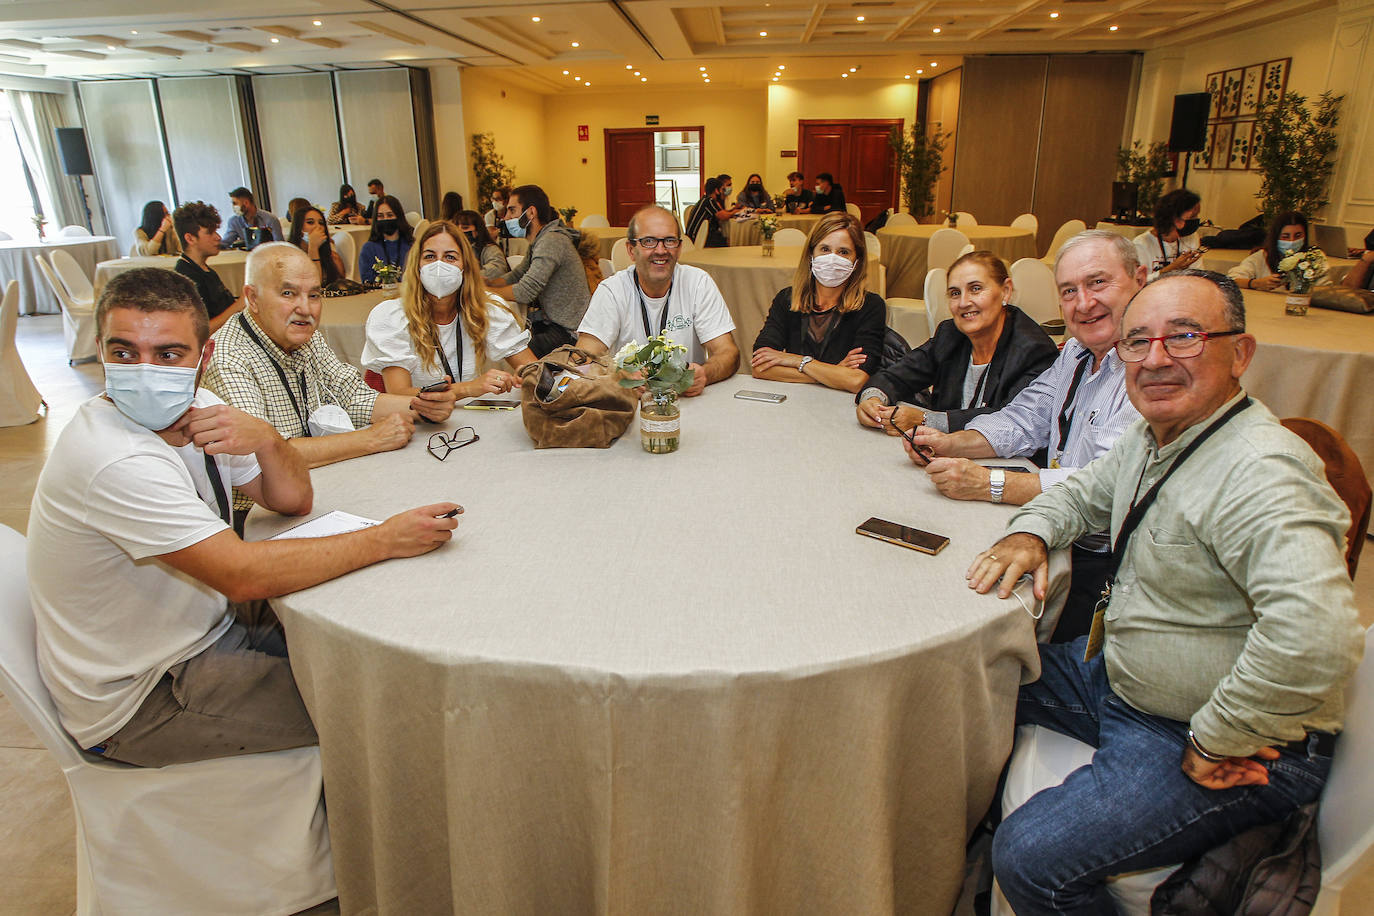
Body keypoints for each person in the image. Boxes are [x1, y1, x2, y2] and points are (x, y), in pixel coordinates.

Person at [972, 269, 1362, 913]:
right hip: (1123, 680)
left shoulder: (1262, 472)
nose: (1155, 359)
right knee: (971, 683)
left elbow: (1317, 636)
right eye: (1138, 341)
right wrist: (1032, 534)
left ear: (1240, 352)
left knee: (1030, 857)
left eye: (1184, 337)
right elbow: (1081, 493)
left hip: (1218, 737)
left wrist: (1219, 735)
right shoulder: (1157, 437)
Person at [27, 267, 460, 767]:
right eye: (124, 353)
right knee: (384, 709)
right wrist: (385, 539)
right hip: (149, 691)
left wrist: (269, 439)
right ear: (101, 350)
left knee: (378, 646)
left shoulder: (200, 407)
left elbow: (292, 500)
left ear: (202, 356)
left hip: (207, 625)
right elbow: (242, 574)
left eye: (168, 354)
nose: (145, 371)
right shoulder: (113, 458)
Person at [901, 230, 1147, 641]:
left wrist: (991, 483)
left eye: (1097, 282)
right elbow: (1024, 417)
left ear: (1139, 279)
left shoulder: (1152, 372)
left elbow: (1108, 486)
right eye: (1069, 291)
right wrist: (951, 442)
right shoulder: (1075, 353)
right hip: (1059, 529)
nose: (1083, 303)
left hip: (1111, 567)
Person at [203, 243, 455, 515]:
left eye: (314, 295)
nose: (305, 309)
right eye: (288, 293)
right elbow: (266, 455)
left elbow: (353, 396)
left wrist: (421, 406)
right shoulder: (229, 358)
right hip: (261, 514)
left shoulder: (305, 338)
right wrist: (370, 439)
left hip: (321, 481)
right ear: (252, 298)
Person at [856, 250, 1057, 426]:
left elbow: (1008, 419)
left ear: (1005, 291)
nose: (963, 302)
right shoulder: (950, 334)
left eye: (976, 289)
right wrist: (873, 399)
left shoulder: (1034, 350)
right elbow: (896, 376)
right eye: (954, 293)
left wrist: (926, 419)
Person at [576, 205, 738, 395]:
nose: (661, 250)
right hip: (630, 406)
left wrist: (705, 374)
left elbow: (729, 353)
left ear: (679, 248)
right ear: (631, 250)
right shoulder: (612, 291)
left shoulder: (698, 283)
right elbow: (582, 360)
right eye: (649, 241)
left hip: (687, 402)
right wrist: (615, 378)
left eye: (669, 241)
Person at [363, 220, 534, 399]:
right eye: (429, 256)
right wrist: (466, 389)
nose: (439, 265)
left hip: (466, 420)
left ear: (465, 267)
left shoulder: (486, 309)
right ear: (417, 265)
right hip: (415, 421)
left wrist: (529, 376)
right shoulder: (391, 316)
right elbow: (399, 393)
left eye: (450, 257)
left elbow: (531, 367)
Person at [751, 212, 886, 393]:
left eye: (843, 252)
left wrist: (797, 360)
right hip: (792, 402)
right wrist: (835, 373)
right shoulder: (787, 299)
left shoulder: (870, 306)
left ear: (857, 261)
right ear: (811, 254)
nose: (832, 258)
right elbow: (760, 368)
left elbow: (856, 381)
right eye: (824, 249)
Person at [486, 184, 592, 357]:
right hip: (554, 323)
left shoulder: (552, 241)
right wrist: (488, 283)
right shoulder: (542, 239)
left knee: (513, 354)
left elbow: (525, 292)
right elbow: (517, 275)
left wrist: (484, 292)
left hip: (570, 332)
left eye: (512, 211)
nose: (506, 218)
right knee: (510, 343)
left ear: (531, 212)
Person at [172, 201, 242, 333]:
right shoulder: (185, 279)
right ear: (190, 238)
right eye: (210, 232)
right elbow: (199, 332)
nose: (218, 237)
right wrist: (239, 306)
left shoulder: (206, 271)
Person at [1227, 211, 1329, 291]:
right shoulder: (1262, 256)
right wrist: (1256, 283)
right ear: (1276, 237)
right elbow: (1231, 280)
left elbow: (1325, 289)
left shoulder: (1315, 257)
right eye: (1285, 236)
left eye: (1298, 236)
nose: (1292, 241)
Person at [1133, 188, 1203, 281]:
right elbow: (1137, 282)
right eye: (1193, 216)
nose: (1196, 220)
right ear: (1175, 219)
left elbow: (1198, 276)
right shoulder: (1141, 244)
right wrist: (1170, 269)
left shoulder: (1192, 237)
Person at [359, 196, 414, 283]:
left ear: (398, 216)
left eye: (390, 215)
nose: (385, 219)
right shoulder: (368, 249)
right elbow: (367, 280)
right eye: (380, 216)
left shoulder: (412, 246)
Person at [288, 205, 346, 286]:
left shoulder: (331, 257)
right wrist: (313, 248)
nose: (318, 227)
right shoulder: (289, 257)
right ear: (299, 228)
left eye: (321, 223)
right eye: (310, 222)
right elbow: (313, 286)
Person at [684, 177, 739, 249]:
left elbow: (721, 212)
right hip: (697, 238)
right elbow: (723, 216)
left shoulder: (704, 199)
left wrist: (734, 209)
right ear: (716, 190)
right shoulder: (709, 201)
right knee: (727, 241)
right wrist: (734, 212)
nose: (723, 192)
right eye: (722, 189)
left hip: (693, 236)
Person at [455, 209, 509, 280]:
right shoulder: (454, 249)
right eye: (456, 228)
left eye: (465, 228)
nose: (460, 231)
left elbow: (498, 270)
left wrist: (467, 276)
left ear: (477, 230)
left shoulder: (490, 248)